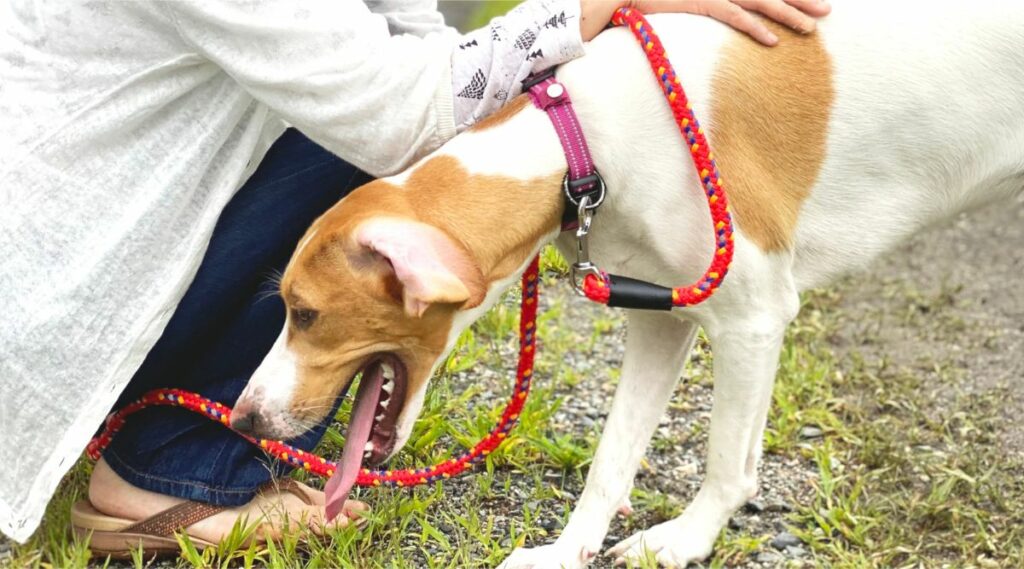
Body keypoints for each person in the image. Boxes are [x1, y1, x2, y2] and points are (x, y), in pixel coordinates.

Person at [0, 0, 830, 550]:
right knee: (368, 145)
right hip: (42, 289)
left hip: (84, 264)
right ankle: (171, 470)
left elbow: (421, 39)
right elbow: (401, 108)